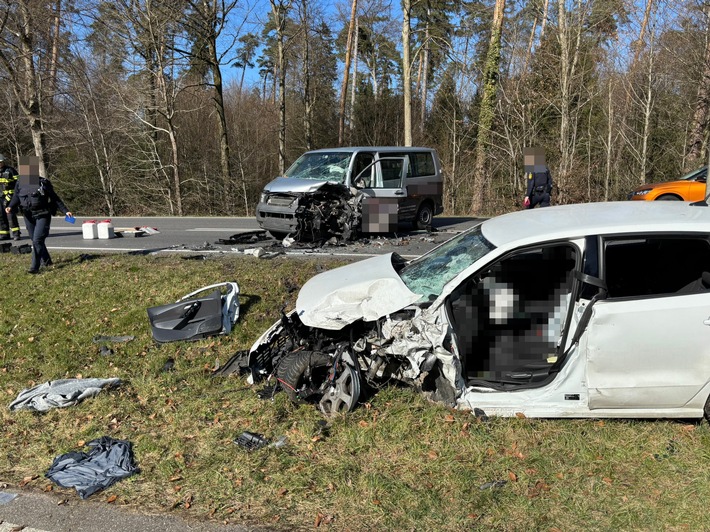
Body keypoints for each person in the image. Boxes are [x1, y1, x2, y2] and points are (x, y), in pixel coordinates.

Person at [5, 156, 72, 274]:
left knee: (37, 240)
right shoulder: (20, 183)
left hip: (43, 214)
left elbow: (55, 198)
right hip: (28, 215)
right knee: (35, 239)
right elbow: (16, 196)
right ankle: (46, 261)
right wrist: (11, 206)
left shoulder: (43, 183)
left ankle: (34, 267)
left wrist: (65, 211)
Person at [0, 154, 20, 240]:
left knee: (10, 215)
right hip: (0, 197)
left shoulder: (11, 170)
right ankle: (4, 234)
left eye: (0, 162)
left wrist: (11, 196)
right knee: (1, 215)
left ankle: (16, 234)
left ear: (3, 161)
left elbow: (18, 184)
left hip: (10, 196)